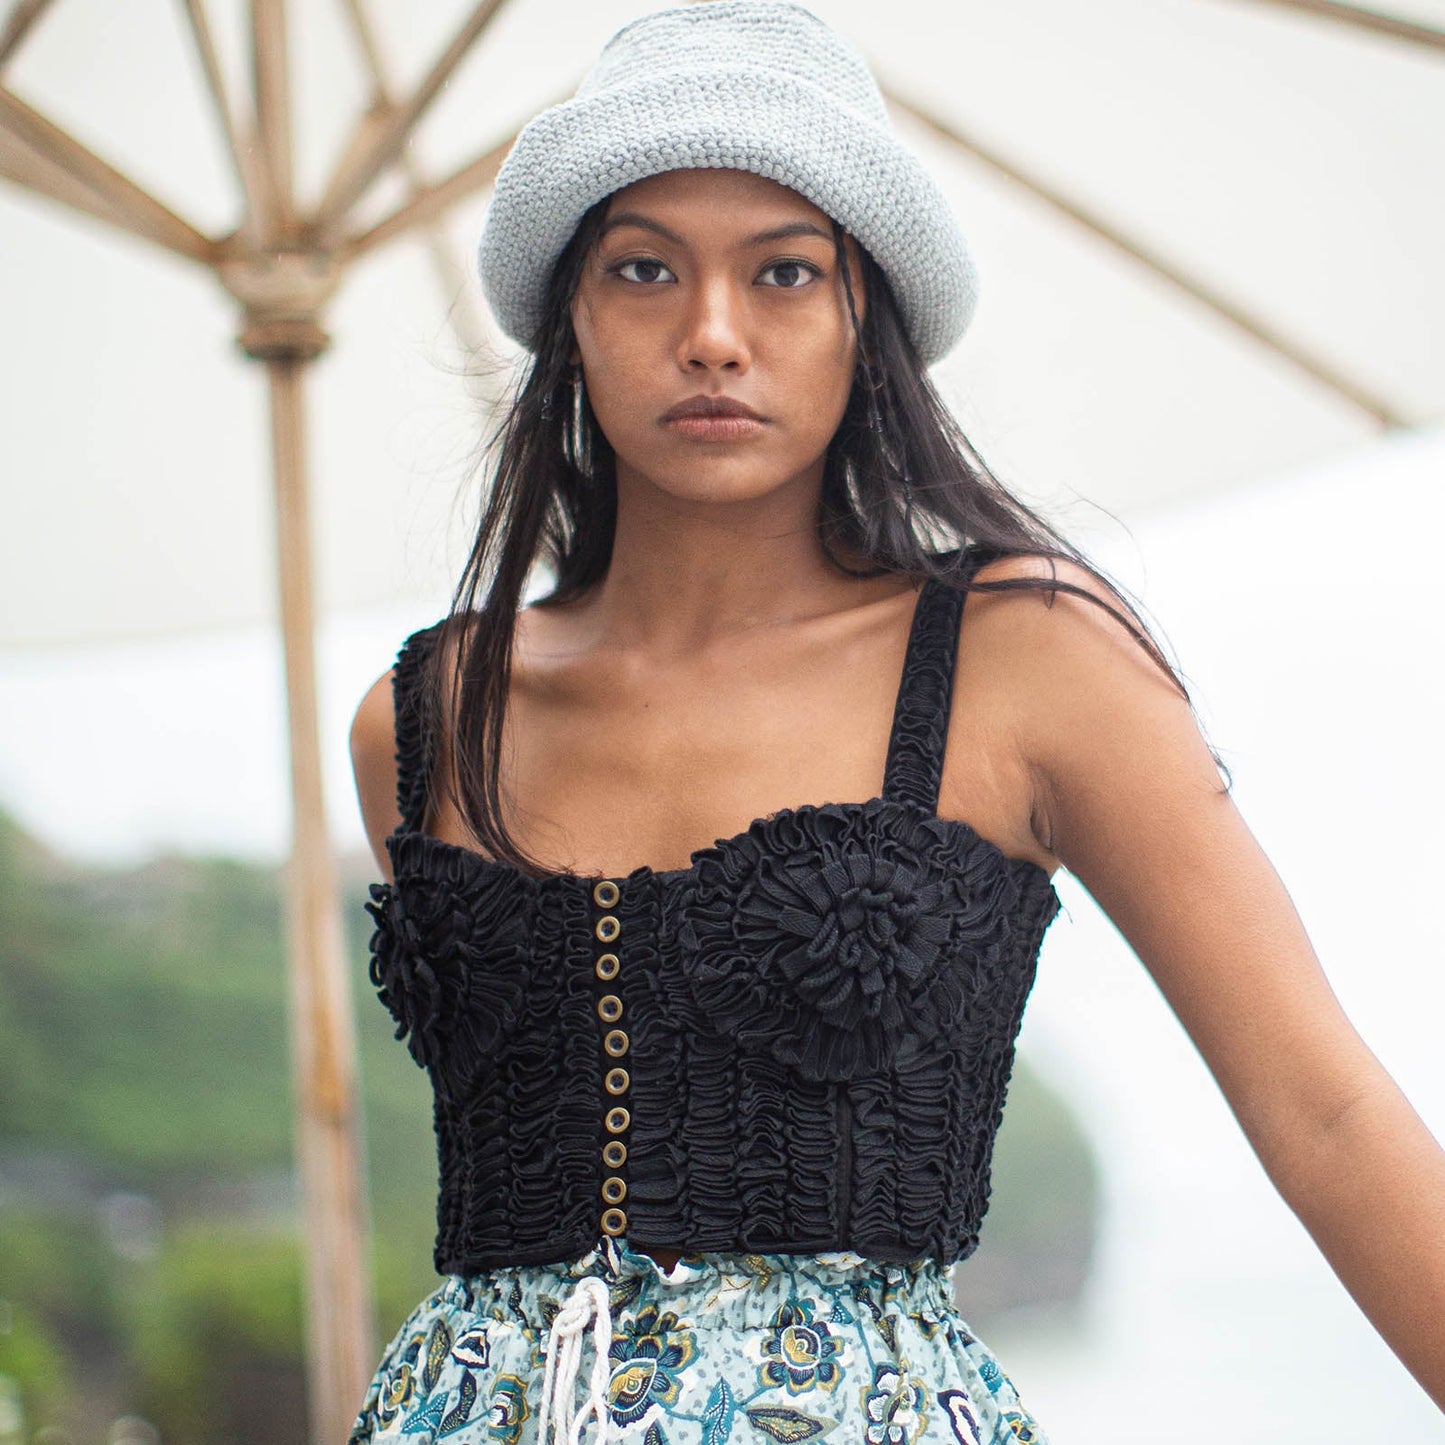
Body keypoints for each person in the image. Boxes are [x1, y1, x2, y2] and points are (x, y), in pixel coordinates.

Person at [345, 3, 1445, 1440]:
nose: (712, 335)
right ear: (571, 316)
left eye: (784, 272)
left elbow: (1324, 1112)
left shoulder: (1023, 655)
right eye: (641, 269)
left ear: (868, 319)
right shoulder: (426, 714)